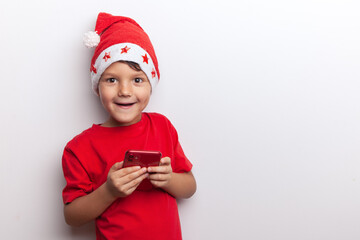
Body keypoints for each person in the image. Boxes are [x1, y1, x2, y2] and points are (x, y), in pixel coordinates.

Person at [62, 12, 196, 240]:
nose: (125, 91)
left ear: (151, 83)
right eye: (111, 79)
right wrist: (109, 191)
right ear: (97, 86)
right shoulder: (79, 148)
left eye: (137, 79)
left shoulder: (162, 126)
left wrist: (169, 179)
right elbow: (72, 217)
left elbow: (190, 187)